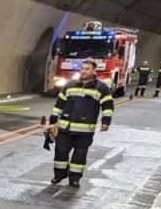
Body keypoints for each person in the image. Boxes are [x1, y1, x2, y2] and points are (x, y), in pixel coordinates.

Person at [48, 58, 113, 188]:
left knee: (79, 155)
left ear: (94, 71)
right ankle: (59, 175)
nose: (83, 71)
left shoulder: (101, 88)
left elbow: (107, 106)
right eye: (82, 68)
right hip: (65, 127)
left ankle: (74, 178)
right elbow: (60, 103)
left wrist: (106, 122)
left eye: (87, 69)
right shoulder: (70, 85)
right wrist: (53, 119)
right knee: (60, 151)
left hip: (85, 131)